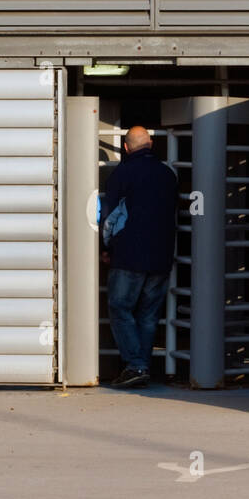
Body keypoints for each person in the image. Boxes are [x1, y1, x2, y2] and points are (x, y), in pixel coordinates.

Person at [101, 125, 178, 387]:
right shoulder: (168, 174)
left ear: (125, 148)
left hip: (129, 254)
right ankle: (142, 367)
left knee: (120, 308)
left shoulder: (122, 174)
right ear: (151, 144)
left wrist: (106, 247)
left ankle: (136, 366)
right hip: (162, 256)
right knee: (147, 314)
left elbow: (110, 217)